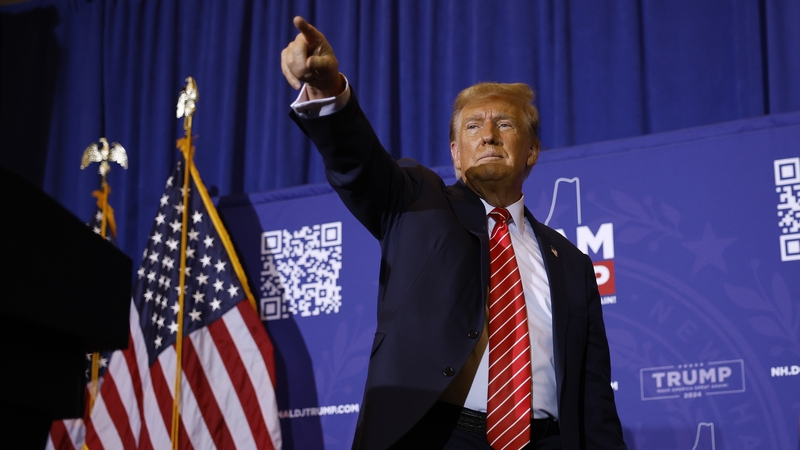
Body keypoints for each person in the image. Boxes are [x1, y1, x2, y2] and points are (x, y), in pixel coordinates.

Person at [281, 16, 627, 450]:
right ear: (455, 155)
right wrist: (330, 92)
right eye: (472, 127)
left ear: (532, 150)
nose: (488, 136)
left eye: (504, 124)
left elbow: (593, 398)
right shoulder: (416, 201)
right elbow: (357, 162)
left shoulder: (572, 264)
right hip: (439, 438)